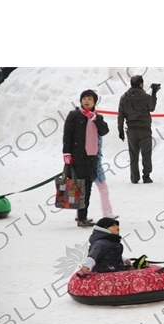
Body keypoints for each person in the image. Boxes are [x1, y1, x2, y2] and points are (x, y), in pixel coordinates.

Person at [63, 89, 109, 227]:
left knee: (87, 187)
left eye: (89, 99)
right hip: (78, 157)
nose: (86, 101)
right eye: (84, 98)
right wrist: (67, 153)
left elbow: (104, 131)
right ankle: (81, 217)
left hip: (92, 157)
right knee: (79, 187)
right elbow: (67, 135)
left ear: (94, 102)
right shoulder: (74, 115)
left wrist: (95, 120)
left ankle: (82, 216)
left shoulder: (97, 117)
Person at [117, 75, 159, 184]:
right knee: (146, 153)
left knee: (133, 154)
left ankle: (134, 177)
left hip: (131, 130)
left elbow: (121, 115)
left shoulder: (124, 97)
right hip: (144, 129)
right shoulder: (145, 96)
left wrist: (120, 130)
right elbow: (152, 107)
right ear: (141, 84)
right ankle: (146, 176)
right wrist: (154, 93)